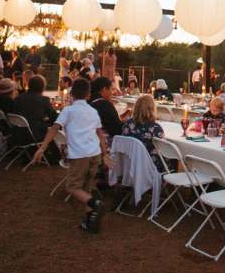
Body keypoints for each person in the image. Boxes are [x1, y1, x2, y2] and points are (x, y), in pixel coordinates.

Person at [32, 78, 112, 233]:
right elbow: (100, 135)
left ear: (72, 93)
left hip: (80, 155)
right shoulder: (93, 111)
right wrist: (105, 154)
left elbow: (54, 128)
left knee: (72, 187)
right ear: (88, 95)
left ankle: (96, 204)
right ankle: (90, 223)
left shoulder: (68, 110)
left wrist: (42, 148)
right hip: (94, 154)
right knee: (87, 188)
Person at [121, 94, 165, 170]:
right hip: (149, 164)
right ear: (152, 109)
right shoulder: (155, 128)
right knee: (173, 158)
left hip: (131, 161)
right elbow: (163, 148)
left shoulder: (128, 124)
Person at [12, 75, 57, 141]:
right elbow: (54, 117)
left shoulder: (18, 98)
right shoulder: (43, 100)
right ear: (42, 87)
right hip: (35, 135)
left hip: (17, 133)